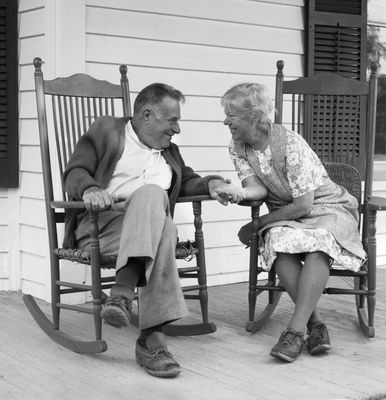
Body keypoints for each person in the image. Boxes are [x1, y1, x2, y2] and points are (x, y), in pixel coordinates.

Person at [63, 83, 232, 377]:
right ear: (146, 115)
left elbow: (189, 180)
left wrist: (212, 184)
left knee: (158, 212)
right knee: (160, 215)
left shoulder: (169, 151)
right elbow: (75, 172)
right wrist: (89, 188)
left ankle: (122, 294)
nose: (177, 129)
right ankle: (151, 341)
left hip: (149, 228)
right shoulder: (106, 131)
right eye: (173, 120)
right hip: (102, 226)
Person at [217, 83, 366, 363]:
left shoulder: (290, 144)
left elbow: (304, 204)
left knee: (318, 244)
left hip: (326, 206)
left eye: (231, 114)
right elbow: (256, 189)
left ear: (254, 116)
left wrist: (258, 222)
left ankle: (294, 331)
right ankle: (316, 324)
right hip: (286, 211)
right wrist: (238, 193)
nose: (225, 120)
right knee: (278, 243)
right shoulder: (237, 145)